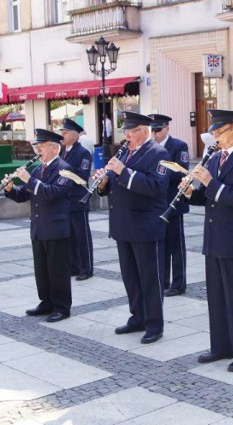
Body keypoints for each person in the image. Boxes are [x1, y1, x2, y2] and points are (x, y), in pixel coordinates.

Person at [182, 109, 233, 372]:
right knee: (216, 296)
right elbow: (206, 197)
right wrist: (189, 190)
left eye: (220, 132)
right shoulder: (215, 158)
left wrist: (210, 183)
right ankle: (221, 347)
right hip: (213, 237)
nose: (215, 137)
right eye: (213, 132)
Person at [95, 112, 169, 344]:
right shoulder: (126, 152)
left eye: (132, 131)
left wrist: (122, 171)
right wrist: (103, 183)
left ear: (145, 131)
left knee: (150, 278)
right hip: (123, 224)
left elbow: (155, 187)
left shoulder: (159, 153)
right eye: (125, 131)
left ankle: (154, 324)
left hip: (146, 225)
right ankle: (137, 316)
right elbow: (115, 185)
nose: (127, 136)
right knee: (131, 276)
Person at [4, 129, 74, 322]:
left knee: (57, 270)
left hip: (56, 228)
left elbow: (51, 193)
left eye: (41, 147)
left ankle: (61, 306)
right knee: (41, 269)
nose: (38, 151)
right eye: (37, 147)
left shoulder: (64, 169)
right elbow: (25, 195)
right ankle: (46, 302)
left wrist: (28, 180)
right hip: (38, 227)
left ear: (53, 148)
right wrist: (10, 189)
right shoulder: (38, 169)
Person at [148, 113, 190, 297]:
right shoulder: (150, 147)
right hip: (156, 204)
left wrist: (158, 174)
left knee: (176, 247)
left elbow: (182, 171)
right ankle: (163, 281)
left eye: (158, 130)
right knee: (161, 244)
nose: (154, 134)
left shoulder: (179, 146)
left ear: (167, 128)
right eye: (152, 130)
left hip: (174, 203)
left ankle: (179, 283)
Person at [60, 119, 94, 281]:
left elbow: (83, 176)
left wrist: (65, 175)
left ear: (75, 136)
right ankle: (73, 266)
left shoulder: (83, 153)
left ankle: (86, 268)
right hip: (65, 200)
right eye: (62, 133)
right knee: (70, 236)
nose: (62, 136)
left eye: (65, 133)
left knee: (82, 236)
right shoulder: (62, 151)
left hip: (77, 198)